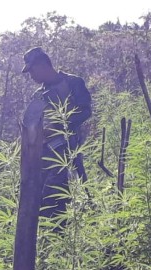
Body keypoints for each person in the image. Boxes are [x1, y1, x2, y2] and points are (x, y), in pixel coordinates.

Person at [21, 47, 92, 218]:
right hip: (45, 156)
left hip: (70, 150)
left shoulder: (73, 83)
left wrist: (59, 125)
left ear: (43, 64)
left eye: (32, 70)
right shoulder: (38, 95)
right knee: (47, 200)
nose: (31, 76)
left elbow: (85, 111)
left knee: (77, 192)